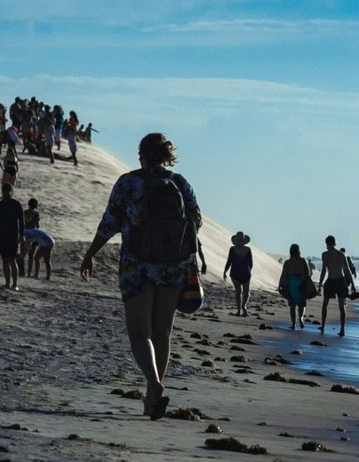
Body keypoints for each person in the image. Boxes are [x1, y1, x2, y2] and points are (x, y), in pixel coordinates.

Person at [79, 132, 201, 420]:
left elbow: (110, 222)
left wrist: (91, 253)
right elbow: (196, 220)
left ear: (142, 154)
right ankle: (151, 400)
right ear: (167, 155)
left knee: (139, 332)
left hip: (138, 265)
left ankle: (154, 383)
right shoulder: (180, 182)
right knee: (162, 332)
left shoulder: (128, 182)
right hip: (173, 266)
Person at [317, 234, 357, 336]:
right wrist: (353, 284)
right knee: (341, 305)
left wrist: (320, 285)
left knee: (326, 304)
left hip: (333, 280)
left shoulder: (325, 255)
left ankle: (324, 326)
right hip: (339, 280)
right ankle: (341, 329)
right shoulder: (341, 254)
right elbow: (347, 270)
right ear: (334, 243)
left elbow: (324, 271)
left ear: (327, 243)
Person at [0, 184, 25, 290]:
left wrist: (22, 235)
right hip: (1, 236)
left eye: (8, 191)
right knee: (5, 260)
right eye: (4, 191)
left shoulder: (16, 204)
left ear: (11, 192)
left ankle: (15, 284)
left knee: (12, 259)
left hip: (13, 236)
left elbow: (22, 222)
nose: (6, 193)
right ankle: (7, 283)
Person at [277, 243, 312, 330]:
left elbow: (283, 275)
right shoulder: (303, 261)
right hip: (301, 285)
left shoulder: (287, 263)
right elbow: (308, 273)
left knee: (292, 306)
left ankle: (293, 324)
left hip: (291, 285)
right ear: (298, 251)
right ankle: (301, 318)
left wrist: (279, 285)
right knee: (302, 305)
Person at [223, 232, 254, 316]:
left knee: (238, 292)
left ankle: (239, 311)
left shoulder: (232, 249)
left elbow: (229, 261)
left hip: (235, 272)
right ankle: (244, 306)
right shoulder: (248, 249)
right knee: (246, 291)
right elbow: (251, 263)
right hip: (245, 272)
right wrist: (248, 271)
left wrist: (225, 271)